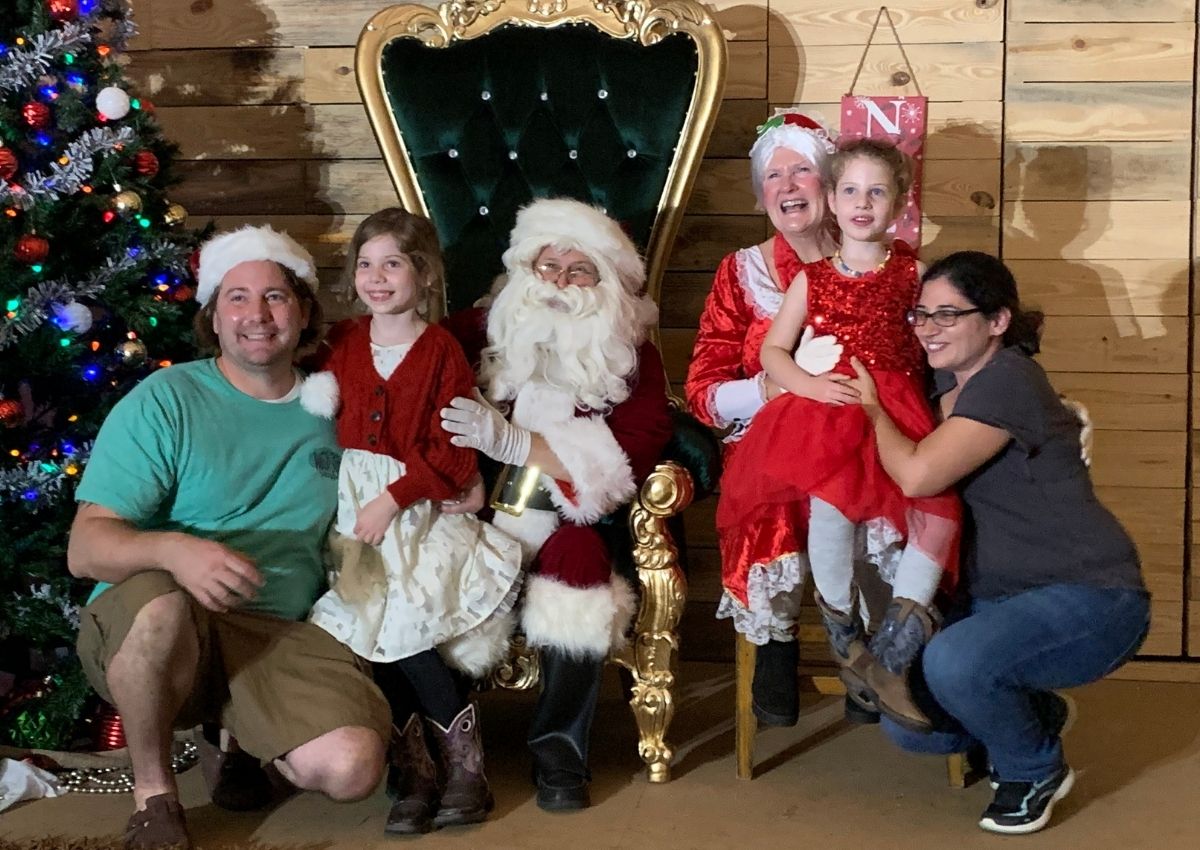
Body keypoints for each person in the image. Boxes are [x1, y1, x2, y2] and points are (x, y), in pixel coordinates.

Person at [66, 225, 392, 850]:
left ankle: (237, 739)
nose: (256, 316)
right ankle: (154, 799)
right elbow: (86, 548)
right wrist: (174, 549)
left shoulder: (337, 406)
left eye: (275, 297)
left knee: (351, 768)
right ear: (213, 317)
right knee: (162, 605)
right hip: (162, 617)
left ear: (302, 313)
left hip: (276, 628)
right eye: (236, 298)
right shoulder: (168, 398)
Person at [847, 251, 1148, 835]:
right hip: (1001, 598)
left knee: (955, 661)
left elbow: (916, 475)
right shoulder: (945, 381)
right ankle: (1033, 712)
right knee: (907, 721)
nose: (929, 328)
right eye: (922, 314)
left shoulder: (1008, 379)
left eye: (948, 315)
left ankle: (1033, 768)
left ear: (998, 321)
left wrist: (870, 410)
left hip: (1089, 593)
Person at [716, 139, 961, 731]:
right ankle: (845, 641)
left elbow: (942, 352)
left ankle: (892, 652)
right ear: (831, 198)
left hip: (895, 412)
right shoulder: (814, 280)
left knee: (933, 511)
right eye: (850, 190)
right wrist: (807, 383)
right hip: (828, 411)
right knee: (831, 513)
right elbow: (774, 351)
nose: (862, 203)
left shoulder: (914, 273)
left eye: (878, 191)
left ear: (900, 203)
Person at [439, 197, 673, 811]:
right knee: (441, 555)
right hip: (478, 509)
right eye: (547, 267)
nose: (559, 284)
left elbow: (636, 451)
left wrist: (517, 442)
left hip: (579, 518)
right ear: (524, 271)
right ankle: (446, 743)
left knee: (578, 565)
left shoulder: (632, 355)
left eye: (578, 272)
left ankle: (559, 754)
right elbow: (407, 364)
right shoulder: (482, 328)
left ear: (605, 284)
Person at [298, 208, 523, 835]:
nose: (376, 277)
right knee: (375, 633)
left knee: (407, 624)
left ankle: (465, 768)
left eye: (392, 263)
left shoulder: (440, 349)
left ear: (422, 275)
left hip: (414, 508)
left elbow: (452, 449)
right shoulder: (343, 342)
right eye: (365, 265)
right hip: (354, 509)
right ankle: (417, 772)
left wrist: (393, 497)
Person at [684, 110, 847, 728]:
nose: (786, 185)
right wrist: (769, 391)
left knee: (883, 493)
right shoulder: (741, 272)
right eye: (772, 176)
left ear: (829, 183)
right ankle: (774, 644)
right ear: (760, 197)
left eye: (800, 170)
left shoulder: (880, 258)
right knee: (774, 492)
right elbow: (701, 391)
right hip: (766, 436)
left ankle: (864, 650)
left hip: (857, 425)